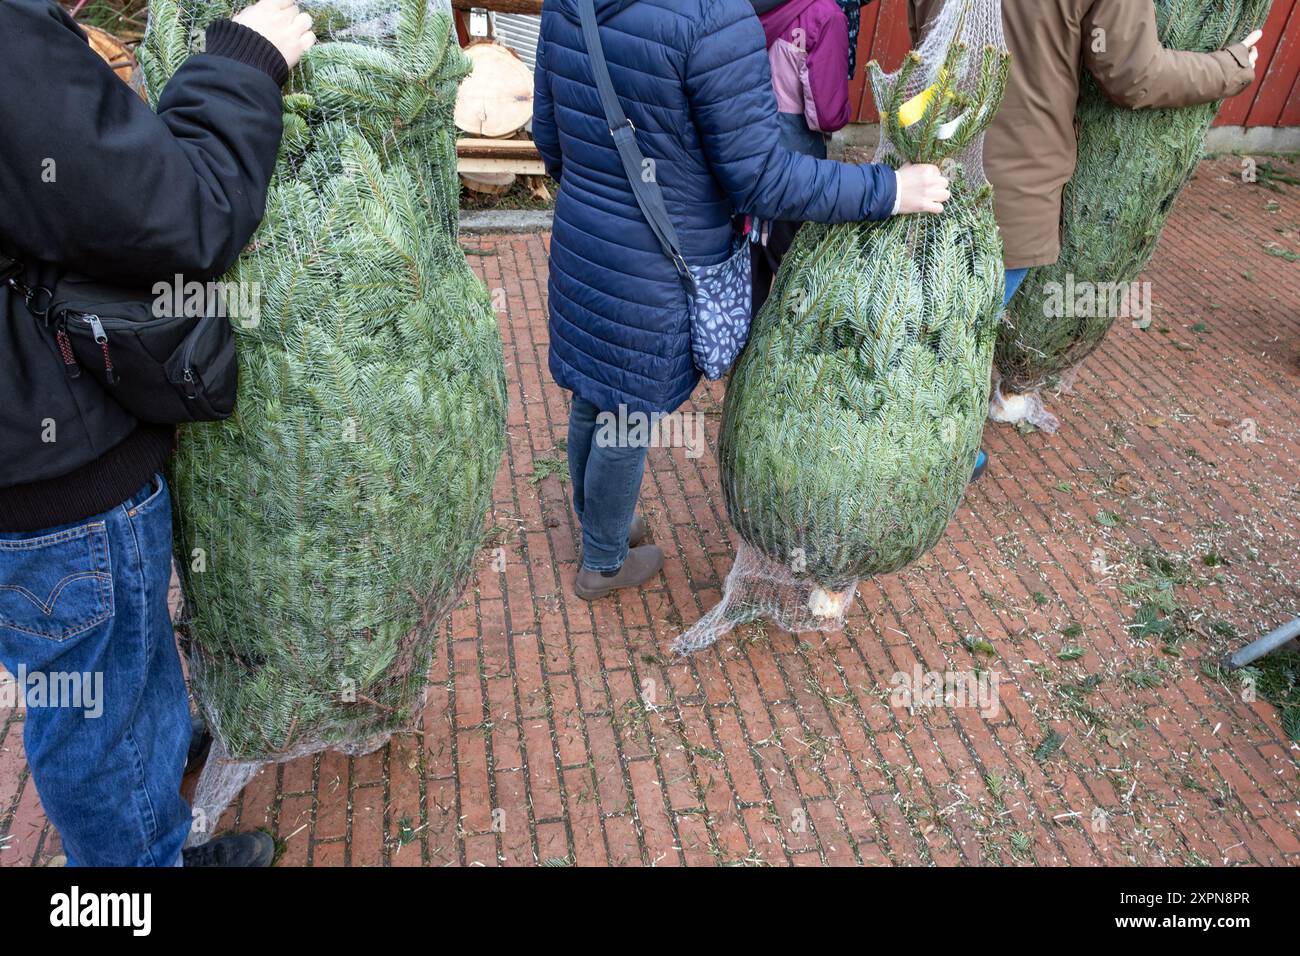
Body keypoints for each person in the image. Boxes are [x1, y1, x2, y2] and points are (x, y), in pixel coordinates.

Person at [0, 0, 315, 867]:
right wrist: (242, 63)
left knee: (113, 683)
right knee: (95, 713)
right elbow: (183, 214)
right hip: (53, 481)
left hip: (27, 464)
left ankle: (150, 845)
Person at [532, 0, 950, 601]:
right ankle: (603, 559)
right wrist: (887, 189)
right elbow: (763, 179)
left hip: (584, 236)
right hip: (659, 258)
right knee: (627, 411)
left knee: (594, 392)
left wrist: (599, 197)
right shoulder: (713, 18)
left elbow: (549, 133)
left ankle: (603, 520)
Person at [907, 0, 1262, 481]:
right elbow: (1135, 74)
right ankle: (929, 457)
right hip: (1011, 183)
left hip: (928, 150)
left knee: (927, 308)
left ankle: (911, 440)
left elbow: (922, 33)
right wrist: (1231, 66)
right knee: (962, 332)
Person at [749, 0, 854, 315]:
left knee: (750, 252)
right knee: (793, 260)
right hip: (794, 157)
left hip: (743, 140)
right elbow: (826, 114)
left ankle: (739, 343)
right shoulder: (826, 16)